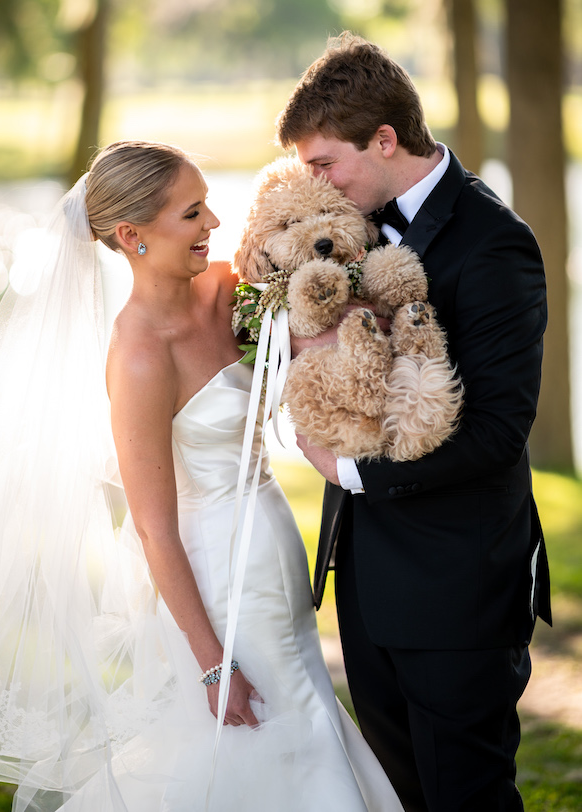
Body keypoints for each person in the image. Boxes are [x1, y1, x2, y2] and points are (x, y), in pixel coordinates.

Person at [0, 140, 403, 811]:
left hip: (274, 550)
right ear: (132, 236)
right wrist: (212, 660)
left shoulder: (230, 290)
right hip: (217, 582)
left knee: (298, 711)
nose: (213, 224)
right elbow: (153, 528)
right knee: (268, 735)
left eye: (208, 206)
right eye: (192, 213)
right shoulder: (140, 358)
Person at [276, 33, 552, 812]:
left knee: (465, 795)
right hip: (368, 580)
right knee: (397, 795)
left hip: (458, 586)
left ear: (386, 139)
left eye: (326, 163)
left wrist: (356, 472)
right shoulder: (352, 225)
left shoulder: (497, 245)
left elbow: (499, 430)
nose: (317, 184)